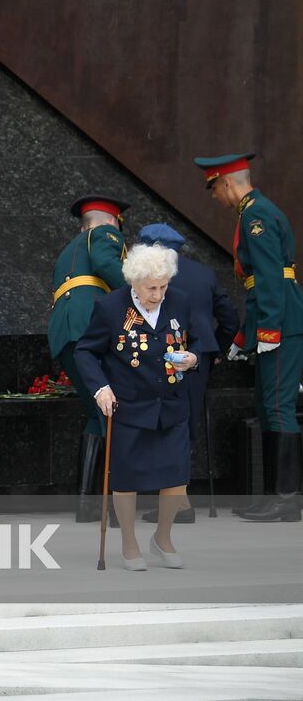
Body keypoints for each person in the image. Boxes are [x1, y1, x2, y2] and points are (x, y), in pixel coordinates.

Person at [193, 153, 303, 522]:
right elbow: (258, 287)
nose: (214, 198)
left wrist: (269, 329)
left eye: (213, 189)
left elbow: (272, 277)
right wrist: (244, 336)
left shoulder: (256, 215)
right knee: (268, 405)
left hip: (283, 321)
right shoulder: (253, 211)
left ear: (226, 182)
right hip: (278, 317)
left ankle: (286, 497)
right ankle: (277, 495)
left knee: (277, 406)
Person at [75, 243, 198, 570]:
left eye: (163, 286)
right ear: (134, 283)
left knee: (176, 476)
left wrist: (193, 358)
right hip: (128, 405)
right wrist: (100, 388)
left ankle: (163, 538)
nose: (158, 294)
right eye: (151, 288)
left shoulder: (180, 302)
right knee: (126, 477)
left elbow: (197, 340)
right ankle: (129, 542)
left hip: (171, 403)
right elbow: (85, 351)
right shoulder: (110, 307)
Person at [137, 223, 240, 524]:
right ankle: (178, 499)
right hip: (199, 358)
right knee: (185, 423)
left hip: (160, 358)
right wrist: (215, 351)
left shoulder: (149, 276)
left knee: (168, 426)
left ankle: (178, 504)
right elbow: (230, 318)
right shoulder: (204, 274)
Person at [47, 196, 128, 522]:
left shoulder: (70, 249)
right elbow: (109, 267)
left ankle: (86, 503)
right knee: (113, 411)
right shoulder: (106, 234)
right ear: (112, 221)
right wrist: (145, 301)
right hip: (91, 327)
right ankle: (115, 501)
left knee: (99, 410)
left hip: (66, 332)